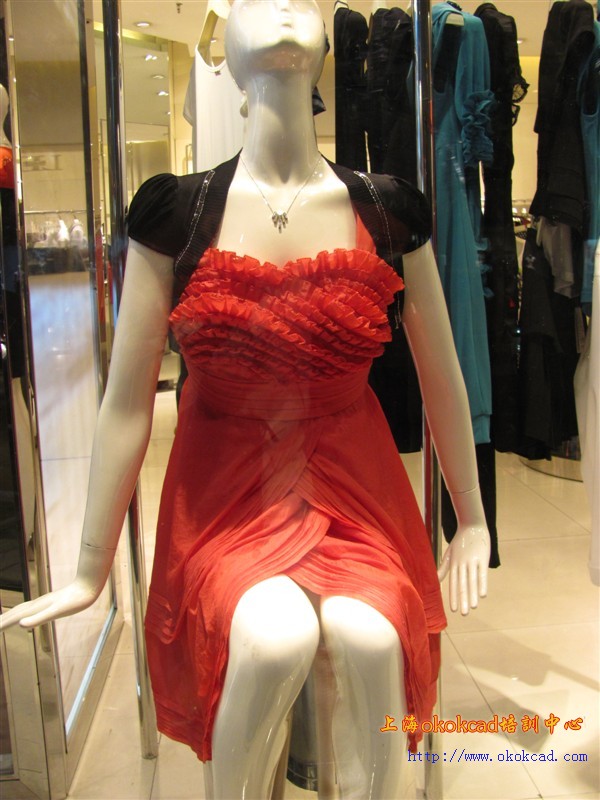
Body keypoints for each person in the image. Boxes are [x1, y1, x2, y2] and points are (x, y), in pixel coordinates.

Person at [0, 2, 490, 798]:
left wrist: (470, 519)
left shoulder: (387, 208)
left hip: (357, 489)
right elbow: (126, 402)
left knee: (372, 638)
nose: (283, 5)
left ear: (326, 42)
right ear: (222, 45)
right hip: (223, 493)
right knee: (273, 638)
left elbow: (445, 375)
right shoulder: (177, 214)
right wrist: (91, 568)